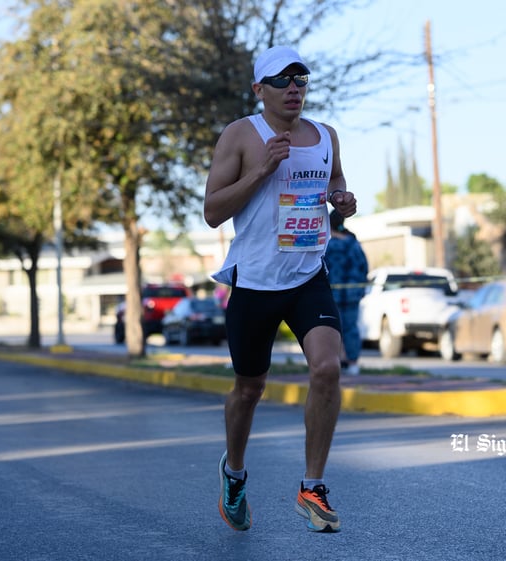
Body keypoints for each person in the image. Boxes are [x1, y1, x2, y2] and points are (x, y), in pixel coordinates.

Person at [204, 45, 357, 533]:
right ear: (259, 89)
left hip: (308, 274)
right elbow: (212, 212)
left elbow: (334, 182)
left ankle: (312, 486)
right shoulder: (241, 135)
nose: (294, 88)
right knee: (250, 389)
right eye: (282, 80)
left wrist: (341, 203)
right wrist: (261, 170)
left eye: (301, 79)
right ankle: (234, 473)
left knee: (328, 368)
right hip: (254, 280)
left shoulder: (326, 136)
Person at [324, 210, 369, 376]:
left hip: (330, 294)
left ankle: (338, 360)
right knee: (351, 328)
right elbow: (363, 268)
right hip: (352, 294)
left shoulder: (327, 246)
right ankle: (353, 363)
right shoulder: (354, 244)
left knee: (332, 329)